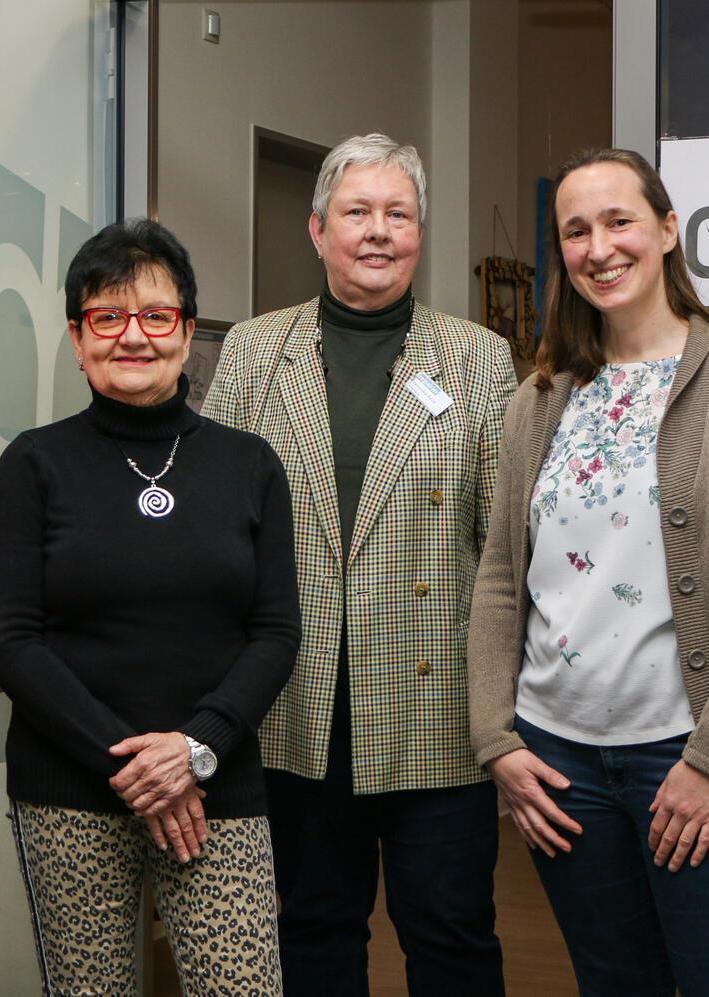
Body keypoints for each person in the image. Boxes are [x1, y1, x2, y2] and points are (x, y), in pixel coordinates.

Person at [468, 147, 709, 996]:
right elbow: (501, 581)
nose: (599, 247)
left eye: (619, 221)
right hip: (563, 769)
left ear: (666, 230)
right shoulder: (539, 397)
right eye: (575, 231)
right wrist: (497, 742)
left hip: (702, 761)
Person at [204, 133, 516, 995]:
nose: (377, 231)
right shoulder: (257, 352)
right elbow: (220, 529)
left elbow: (503, 548)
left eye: (398, 213)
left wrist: (505, 706)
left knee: (452, 936)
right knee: (310, 930)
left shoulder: (478, 356)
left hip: (435, 711)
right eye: (357, 212)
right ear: (317, 230)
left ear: (420, 232)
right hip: (297, 707)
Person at [0, 218, 300, 994]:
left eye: (157, 316)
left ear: (188, 332)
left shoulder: (248, 464)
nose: (134, 337)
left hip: (215, 786)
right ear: (76, 334)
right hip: (71, 787)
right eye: (107, 317)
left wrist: (191, 751)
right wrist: (134, 763)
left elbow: (276, 630)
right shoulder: (33, 463)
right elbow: (13, 639)